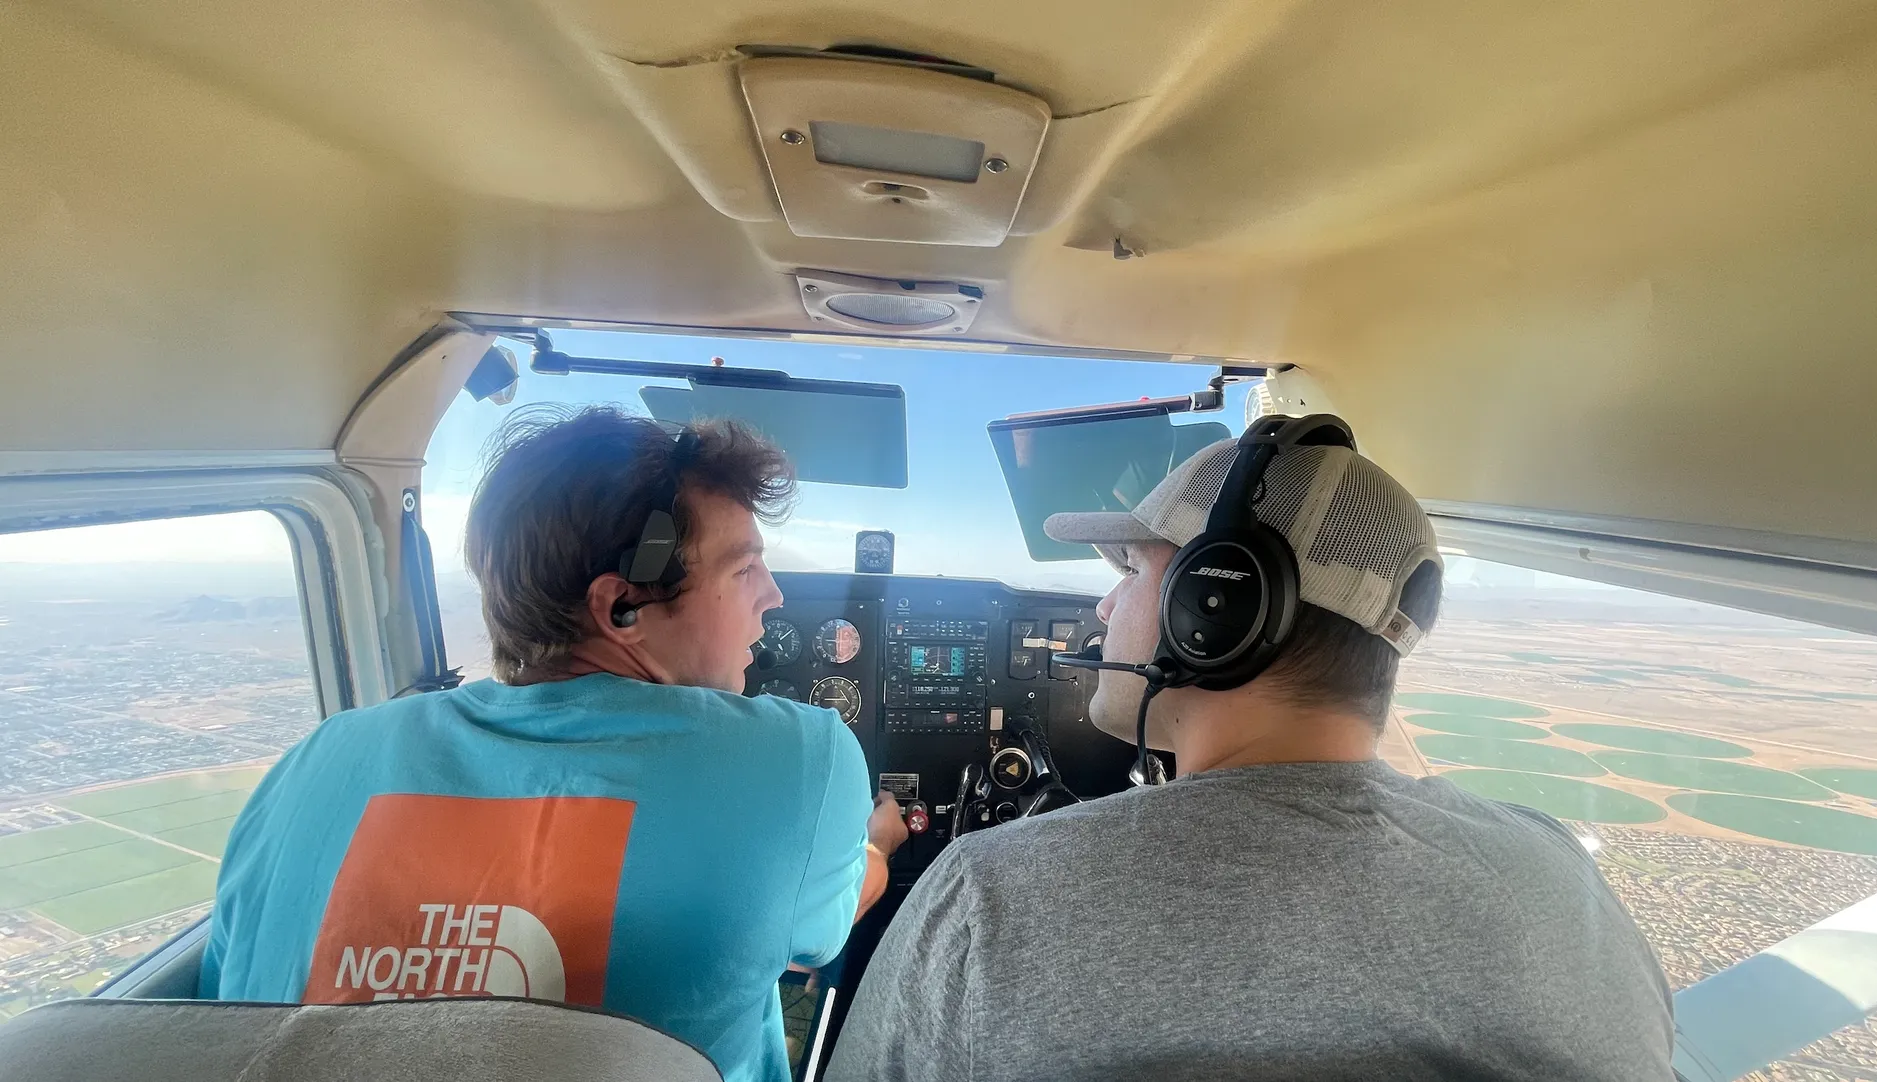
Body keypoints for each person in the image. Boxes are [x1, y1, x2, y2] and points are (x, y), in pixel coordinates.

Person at [828, 423, 1674, 1081]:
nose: (1103, 609)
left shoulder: (989, 900)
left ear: (1218, 603)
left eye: (1132, 566)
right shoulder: (1561, 874)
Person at [203, 405, 910, 1082]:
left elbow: (220, 999)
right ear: (621, 607)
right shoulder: (795, 760)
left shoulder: (315, 760)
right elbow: (823, 935)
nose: (775, 596)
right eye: (743, 569)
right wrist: (877, 846)